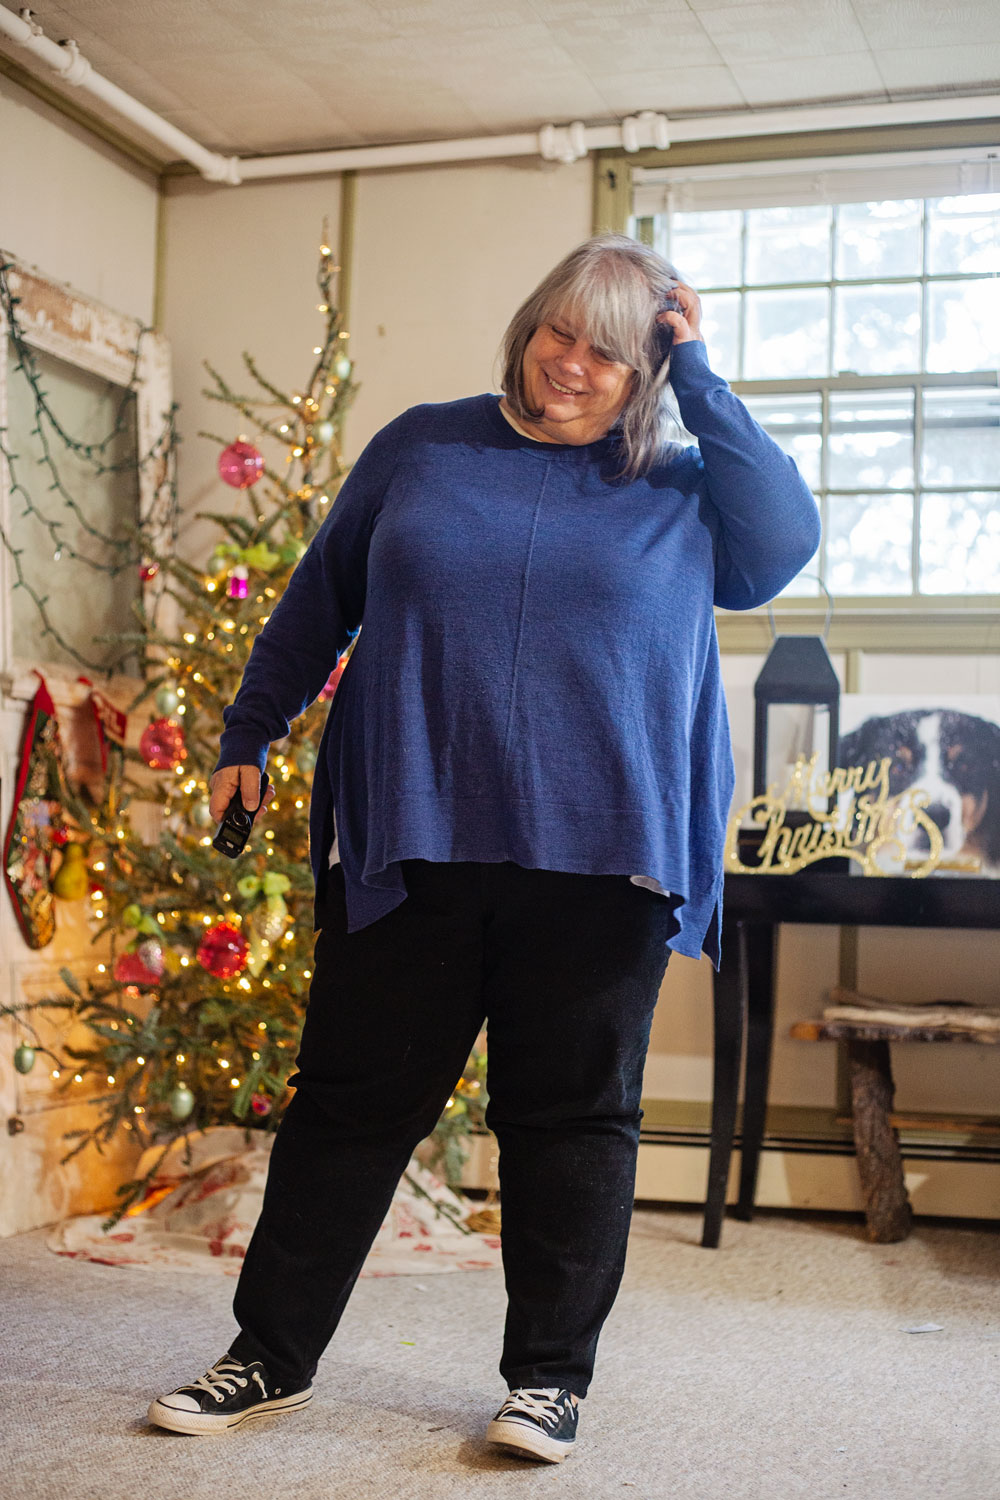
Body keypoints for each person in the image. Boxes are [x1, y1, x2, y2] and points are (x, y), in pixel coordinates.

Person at [147, 233, 820, 1462]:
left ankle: (548, 1379)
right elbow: (316, 601)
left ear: (647, 368)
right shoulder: (425, 444)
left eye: (609, 351)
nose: (572, 364)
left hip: (602, 851)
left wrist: (701, 370)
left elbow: (782, 544)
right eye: (558, 332)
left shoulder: (684, 482)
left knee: (569, 1120)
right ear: (526, 328)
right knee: (349, 1109)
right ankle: (267, 1356)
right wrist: (251, 727)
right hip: (416, 835)